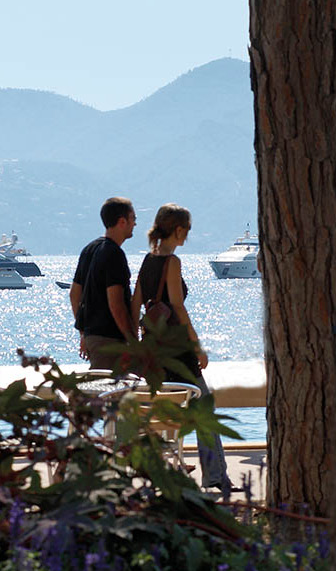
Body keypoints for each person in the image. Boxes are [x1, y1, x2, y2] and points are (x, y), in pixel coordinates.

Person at [131, 203, 233, 495]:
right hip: (178, 350)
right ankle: (215, 476)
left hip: (153, 349)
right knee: (204, 406)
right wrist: (198, 347)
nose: (187, 236)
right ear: (178, 230)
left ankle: (165, 468)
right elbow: (177, 305)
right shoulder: (171, 263)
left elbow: (135, 303)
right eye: (186, 230)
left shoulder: (147, 261)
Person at [70, 197, 137, 369]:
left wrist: (85, 333)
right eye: (133, 219)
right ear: (122, 222)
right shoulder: (114, 254)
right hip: (111, 341)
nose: (135, 224)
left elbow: (74, 294)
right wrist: (132, 340)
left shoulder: (89, 249)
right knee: (111, 392)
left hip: (94, 338)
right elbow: (116, 304)